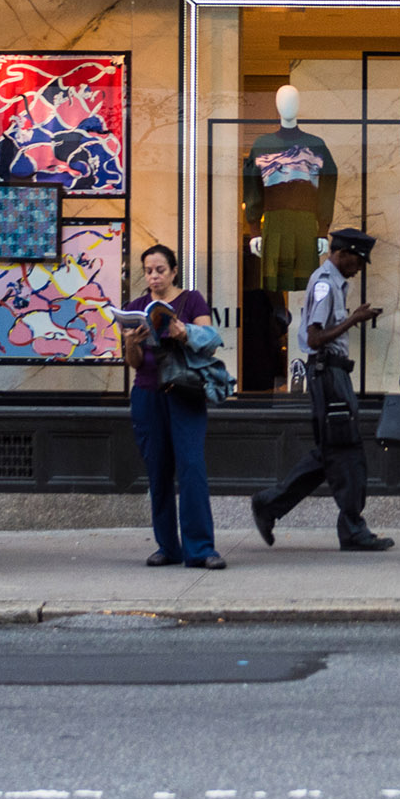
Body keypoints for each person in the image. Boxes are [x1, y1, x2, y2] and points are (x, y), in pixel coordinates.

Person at [249, 227, 394, 552]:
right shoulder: (326, 286)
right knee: (346, 450)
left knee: (332, 453)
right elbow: (314, 339)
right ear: (342, 254)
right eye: (358, 260)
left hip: (332, 374)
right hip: (327, 375)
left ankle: (272, 505)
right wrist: (353, 319)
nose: (360, 267)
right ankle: (351, 529)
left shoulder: (333, 283)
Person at [126, 243, 223, 569]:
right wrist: (131, 343)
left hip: (185, 392)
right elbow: (134, 363)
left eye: (160, 270)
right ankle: (167, 546)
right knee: (158, 471)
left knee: (192, 469)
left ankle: (201, 549)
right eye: (148, 271)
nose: (154, 277)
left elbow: (210, 341)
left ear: (174, 271)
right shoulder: (136, 307)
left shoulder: (191, 299)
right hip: (147, 394)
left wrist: (184, 333)